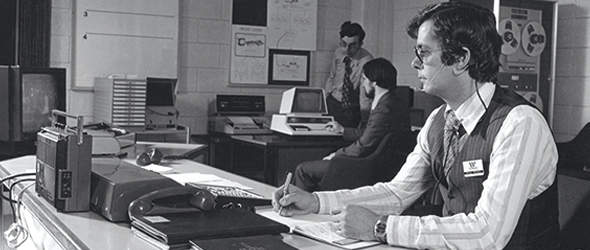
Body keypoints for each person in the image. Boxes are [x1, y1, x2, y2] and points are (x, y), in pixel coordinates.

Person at [272, 2, 560, 249]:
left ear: (460, 59)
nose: (413, 63)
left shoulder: (519, 123)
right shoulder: (439, 120)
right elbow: (397, 193)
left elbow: (488, 233)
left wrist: (381, 228)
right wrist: (316, 202)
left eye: (423, 52)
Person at [294, 58, 411, 192]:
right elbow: (373, 133)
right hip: (382, 165)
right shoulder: (394, 102)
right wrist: (343, 130)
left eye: (364, 79)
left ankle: (304, 208)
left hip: (366, 167)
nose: (362, 84)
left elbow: (363, 146)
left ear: (374, 82)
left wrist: (336, 155)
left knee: (302, 170)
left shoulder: (383, 108)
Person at [324, 21, 374, 128]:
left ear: (360, 44)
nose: (346, 49)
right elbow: (332, 76)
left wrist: (365, 120)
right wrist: (326, 96)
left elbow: (364, 95)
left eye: (352, 45)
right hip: (333, 102)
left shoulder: (367, 61)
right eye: (343, 44)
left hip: (352, 107)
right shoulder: (338, 53)